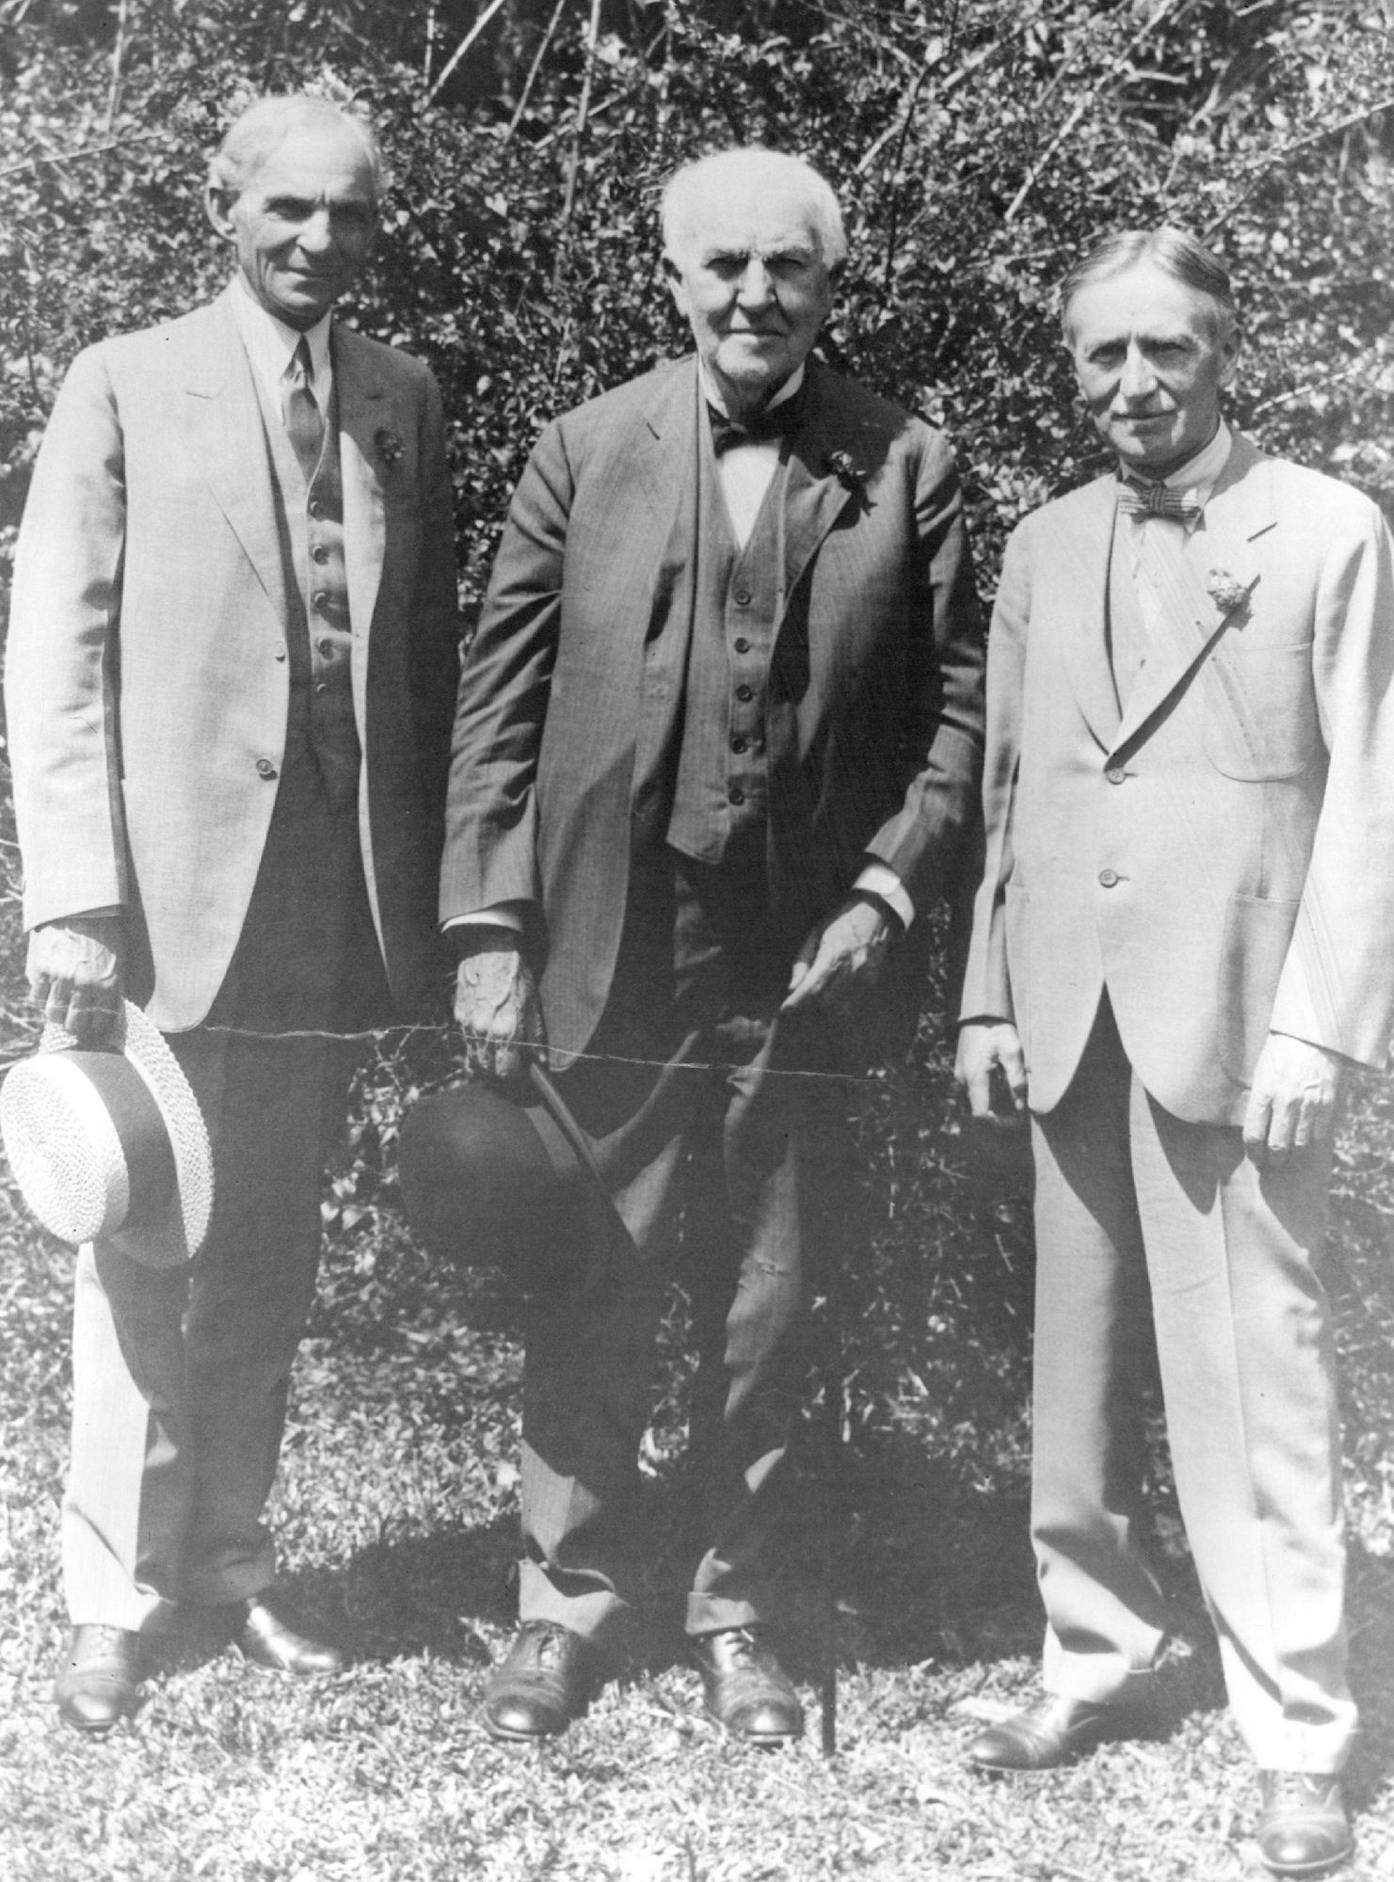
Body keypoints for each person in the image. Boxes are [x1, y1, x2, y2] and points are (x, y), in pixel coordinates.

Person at [441, 146, 985, 1745]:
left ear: (829, 284)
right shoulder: (583, 449)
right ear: (673, 281)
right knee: (592, 1268)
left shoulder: (907, 464)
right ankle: (570, 1602)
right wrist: (490, 927)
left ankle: (747, 1607)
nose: (755, 294)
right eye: (723, 266)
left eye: (786, 268)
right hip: (615, 931)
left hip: (810, 948)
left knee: (775, 1294)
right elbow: (500, 710)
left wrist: (886, 890)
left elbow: (961, 717)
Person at [955, 227, 1394, 1875]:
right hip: (1067, 1011)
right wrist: (986, 995)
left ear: (1226, 351)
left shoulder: (1329, 530)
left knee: (1258, 1374)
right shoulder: (1040, 544)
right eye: (1102, 356)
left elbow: (1386, 794)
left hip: (1241, 1023)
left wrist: (1322, 1017)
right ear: (1073, 368)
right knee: (1071, 1372)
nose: (1134, 384)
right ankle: (1093, 1644)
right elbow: (1017, 797)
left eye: (1166, 349)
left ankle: (1298, 1720)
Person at [6, 95, 461, 1733]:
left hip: (329, 900)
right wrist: (73, 898)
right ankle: (111, 1591)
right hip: (163, 896)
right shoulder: (123, 381)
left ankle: (227, 1560)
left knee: (271, 1233)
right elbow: (52, 650)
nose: (317, 241)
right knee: (143, 1224)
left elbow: (423, 668)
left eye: (347, 214)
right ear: (223, 204)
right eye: (286, 209)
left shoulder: (404, 396)